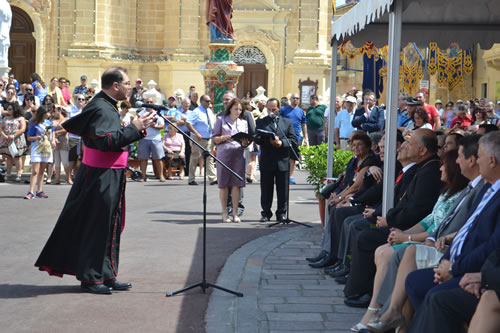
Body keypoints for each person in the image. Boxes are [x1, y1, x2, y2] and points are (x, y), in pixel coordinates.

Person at [34, 67, 157, 294]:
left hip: (110, 173)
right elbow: (106, 142)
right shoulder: (101, 108)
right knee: (96, 225)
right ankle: (91, 278)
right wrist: (135, 128)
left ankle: (107, 274)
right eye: (127, 84)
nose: (130, 88)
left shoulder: (107, 105)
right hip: (101, 176)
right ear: (116, 86)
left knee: (110, 224)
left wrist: (136, 128)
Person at [404, 131, 500, 324]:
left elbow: (492, 246)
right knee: (415, 282)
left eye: (479, 157)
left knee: (437, 297)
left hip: (476, 271)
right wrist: (445, 264)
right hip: (459, 263)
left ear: (491, 161)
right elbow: (466, 232)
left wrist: (455, 269)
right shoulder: (487, 191)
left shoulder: (490, 193)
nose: (477, 162)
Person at [255, 98, 297, 222]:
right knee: (266, 189)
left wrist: (281, 143)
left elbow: (293, 139)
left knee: (283, 189)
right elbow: (257, 138)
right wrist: (269, 141)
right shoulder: (261, 122)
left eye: (274, 109)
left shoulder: (286, 122)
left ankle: (282, 213)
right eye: (269, 109)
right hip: (267, 160)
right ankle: (266, 213)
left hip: (282, 160)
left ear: (278, 108)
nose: (271, 111)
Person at [212, 98, 248, 223]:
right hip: (224, 154)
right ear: (230, 109)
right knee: (224, 184)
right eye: (236, 109)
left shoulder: (243, 122)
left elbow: (246, 141)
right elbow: (214, 138)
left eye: (240, 110)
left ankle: (235, 213)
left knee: (237, 185)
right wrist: (222, 137)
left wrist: (245, 143)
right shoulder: (221, 120)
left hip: (238, 154)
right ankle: (224, 212)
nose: (238, 111)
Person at [185, 94, 217, 185]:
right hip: (198, 138)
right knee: (195, 157)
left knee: (210, 158)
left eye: (210, 101)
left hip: (208, 137)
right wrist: (196, 133)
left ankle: (212, 178)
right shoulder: (196, 111)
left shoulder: (209, 111)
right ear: (202, 101)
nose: (209, 103)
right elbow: (188, 123)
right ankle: (191, 179)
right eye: (207, 101)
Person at [24, 106, 53, 199]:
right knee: (35, 171)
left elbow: (52, 132)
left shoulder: (48, 123)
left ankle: (39, 191)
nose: (49, 114)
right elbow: (28, 138)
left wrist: (53, 140)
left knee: (42, 170)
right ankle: (31, 191)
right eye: (47, 112)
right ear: (43, 113)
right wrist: (36, 138)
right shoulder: (33, 123)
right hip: (36, 147)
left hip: (46, 147)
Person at [280, 93, 307, 184]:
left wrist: (305, 137)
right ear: (290, 99)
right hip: (284, 136)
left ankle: (290, 176)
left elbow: (304, 124)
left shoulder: (301, 111)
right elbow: (279, 121)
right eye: (293, 98)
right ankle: (281, 176)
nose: (295, 100)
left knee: (293, 158)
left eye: (297, 98)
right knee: (283, 157)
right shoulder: (284, 110)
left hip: (296, 137)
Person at [137, 98, 166, 182]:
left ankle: (161, 176)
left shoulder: (157, 114)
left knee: (158, 158)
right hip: (144, 138)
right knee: (143, 159)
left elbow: (162, 126)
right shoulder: (140, 114)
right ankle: (143, 176)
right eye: (147, 102)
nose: (149, 103)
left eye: (151, 102)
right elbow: (136, 124)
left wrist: (154, 126)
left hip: (155, 139)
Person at [0, 102, 27, 181]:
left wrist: (14, 135)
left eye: (10, 109)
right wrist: (4, 135)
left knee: (17, 157)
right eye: (7, 109)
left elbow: (22, 129)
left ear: (15, 110)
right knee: (8, 157)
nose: (8, 110)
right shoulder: (5, 118)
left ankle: (19, 174)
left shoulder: (20, 118)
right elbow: (1, 128)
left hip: (17, 140)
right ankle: (8, 173)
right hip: (7, 139)